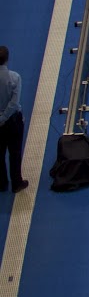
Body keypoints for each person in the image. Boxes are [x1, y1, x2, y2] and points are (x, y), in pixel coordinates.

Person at [0, 46, 26, 193]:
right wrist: (4, 117)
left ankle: (2, 183)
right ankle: (17, 183)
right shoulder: (14, 77)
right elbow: (14, 103)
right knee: (15, 153)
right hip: (12, 121)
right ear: (7, 59)